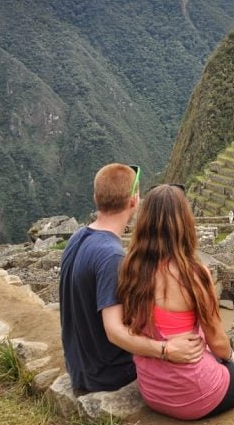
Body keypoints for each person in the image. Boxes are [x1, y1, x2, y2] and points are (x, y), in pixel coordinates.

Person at [117, 184, 234, 420]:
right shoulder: (194, 275)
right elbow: (216, 340)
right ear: (185, 223)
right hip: (194, 393)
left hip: (152, 392)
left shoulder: (130, 269)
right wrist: (231, 357)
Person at [59, 164, 203, 392]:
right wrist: (165, 350)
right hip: (108, 375)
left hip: (79, 366)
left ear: (96, 198)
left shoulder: (77, 238)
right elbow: (114, 331)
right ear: (134, 202)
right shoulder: (111, 256)